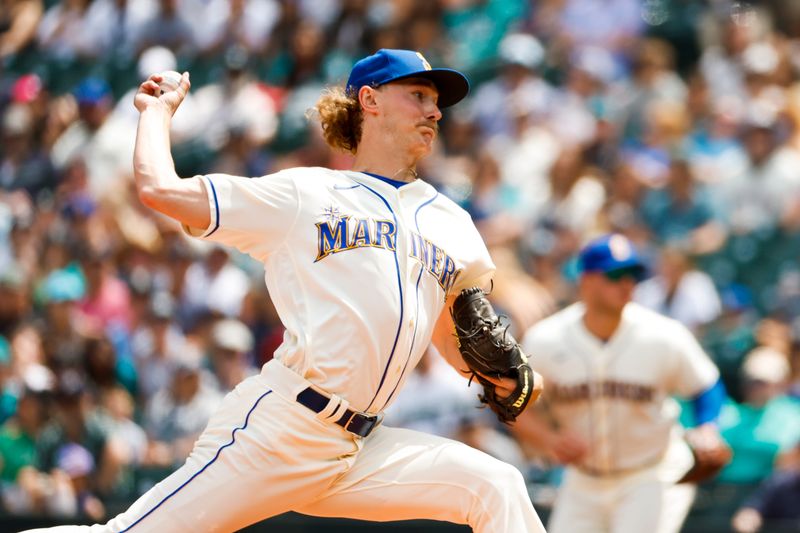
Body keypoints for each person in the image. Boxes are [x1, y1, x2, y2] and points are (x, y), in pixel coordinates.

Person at [23, 49, 545, 532]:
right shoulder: (306, 193)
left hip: (363, 449)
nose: (434, 112)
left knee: (496, 485)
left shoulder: (451, 221)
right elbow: (161, 190)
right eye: (419, 96)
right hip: (283, 431)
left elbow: (452, 335)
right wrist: (156, 115)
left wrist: (499, 378)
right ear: (370, 100)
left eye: (437, 103)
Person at [515, 233, 727, 533]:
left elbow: (706, 386)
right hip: (583, 480)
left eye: (633, 274)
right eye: (615, 275)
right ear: (586, 281)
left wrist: (708, 426)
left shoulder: (663, 334)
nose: (627, 283)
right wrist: (549, 439)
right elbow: (510, 404)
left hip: (650, 475)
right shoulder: (546, 339)